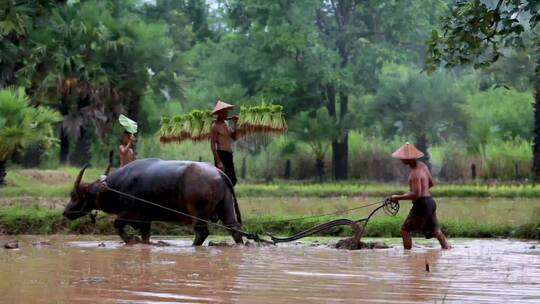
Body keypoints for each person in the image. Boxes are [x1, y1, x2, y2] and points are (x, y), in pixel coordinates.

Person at [389, 143, 450, 250]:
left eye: (402, 158)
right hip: (430, 202)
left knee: (405, 230)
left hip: (422, 205)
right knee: (436, 230)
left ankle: (407, 255)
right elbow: (430, 183)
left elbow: (416, 195)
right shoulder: (423, 166)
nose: (400, 160)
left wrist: (397, 197)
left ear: (410, 159)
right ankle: (447, 248)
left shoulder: (414, 174)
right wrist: (420, 191)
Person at [210, 100, 238, 186]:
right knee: (221, 180)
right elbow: (212, 145)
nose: (226, 114)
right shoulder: (215, 126)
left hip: (229, 154)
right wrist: (218, 161)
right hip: (221, 154)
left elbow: (234, 138)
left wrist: (235, 124)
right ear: (219, 113)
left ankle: (228, 197)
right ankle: (221, 198)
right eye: (224, 112)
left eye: (227, 112)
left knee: (232, 180)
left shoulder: (226, 123)